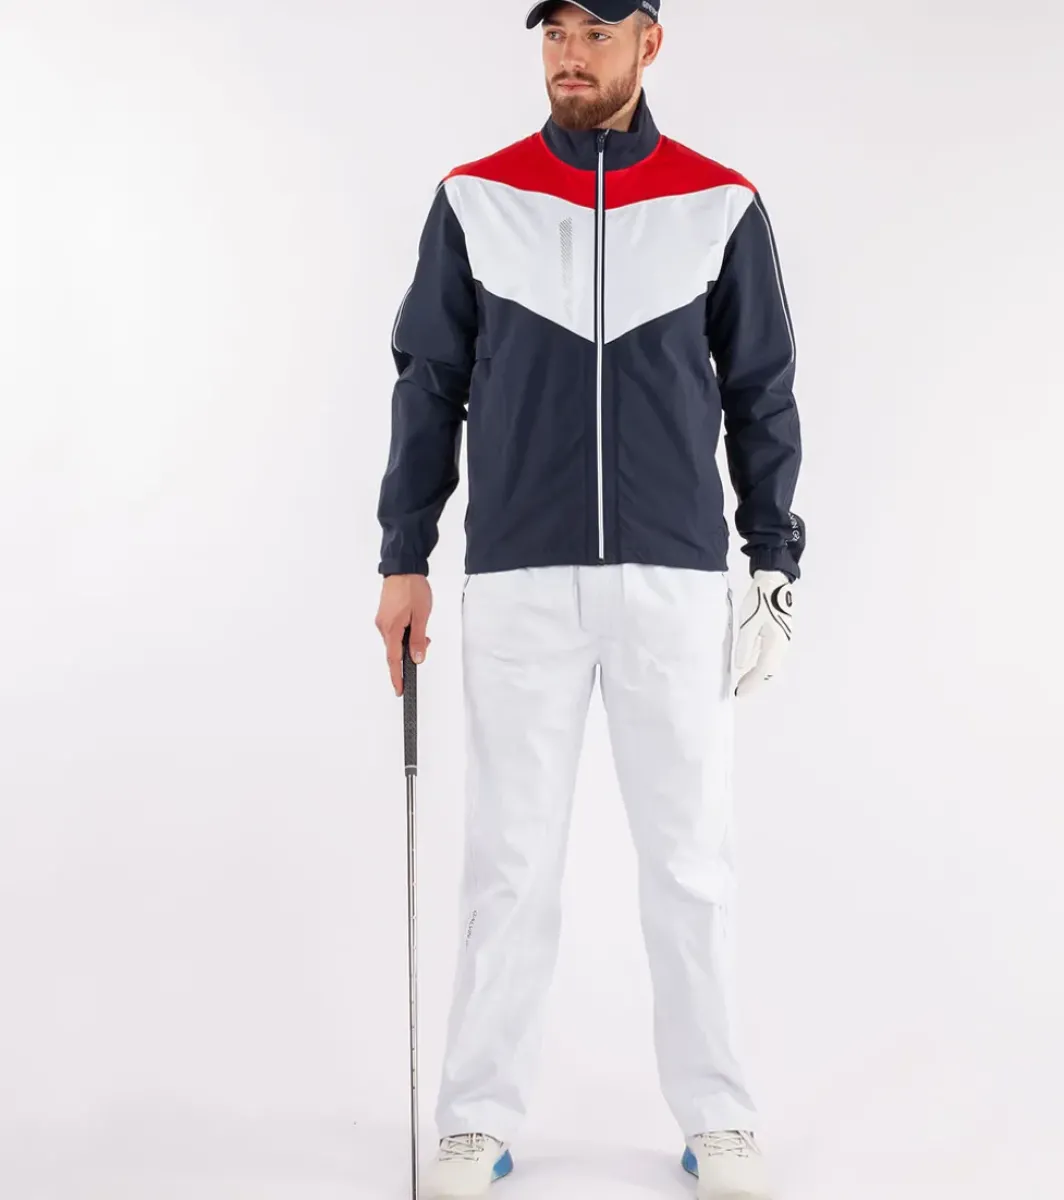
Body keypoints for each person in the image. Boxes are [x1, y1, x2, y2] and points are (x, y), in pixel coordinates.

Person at [374, 1, 804, 1196]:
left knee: (691, 863)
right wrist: (404, 556)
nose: (571, 55)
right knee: (509, 864)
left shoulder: (719, 202)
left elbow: (763, 390)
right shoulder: (477, 198)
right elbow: (428, 383)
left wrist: (774, 562)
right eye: (555, 32)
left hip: (675, 577)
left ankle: (720, 1116)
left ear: (649, 43)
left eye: (596, 33)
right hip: (519, 578)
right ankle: (475, 1119)